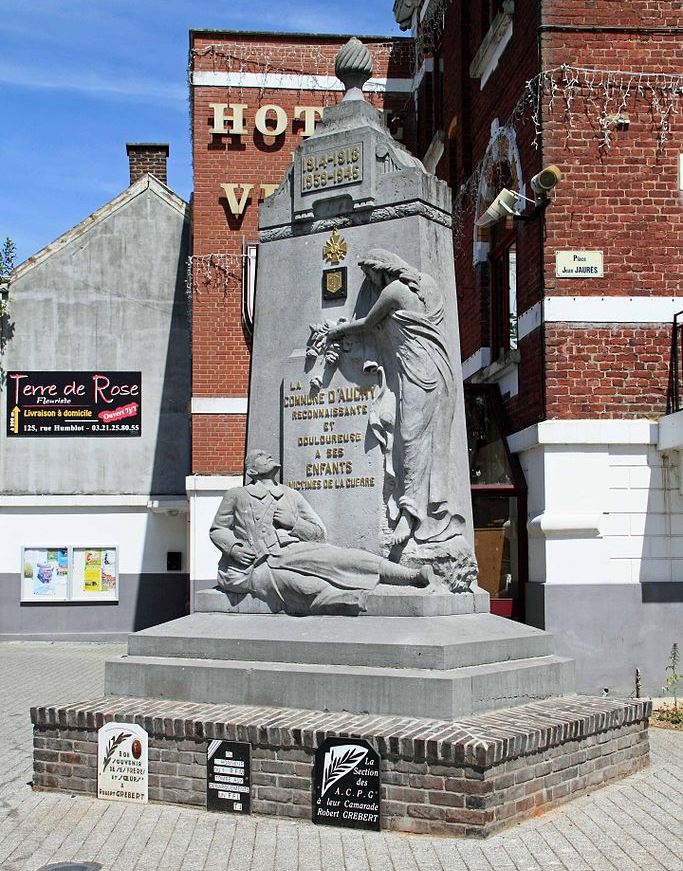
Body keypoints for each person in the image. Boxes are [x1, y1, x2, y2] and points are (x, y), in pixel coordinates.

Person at [327, 249, 465, 547]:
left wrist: (336, 331)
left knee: (411, 438)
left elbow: (367, 325)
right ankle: (435, 512)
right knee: (434, 442)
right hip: (440, 369)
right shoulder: (425, 283)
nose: (370, 282)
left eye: (369, 275)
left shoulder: (393, 291)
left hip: (419, 372)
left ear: (381, 269)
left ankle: (409, 514)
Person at [210, 449, 431, 615]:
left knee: (345, 558)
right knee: (307, 588)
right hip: (257, 564)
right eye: (260, 455)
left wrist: (294, 523)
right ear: (251, 471)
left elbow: (318, 533)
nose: (267, 455)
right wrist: (235, 548)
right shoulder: (237, 494)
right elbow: (218, 529)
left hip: (293, 550)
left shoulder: (290, 494)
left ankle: (410, 576)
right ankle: (355, 600)